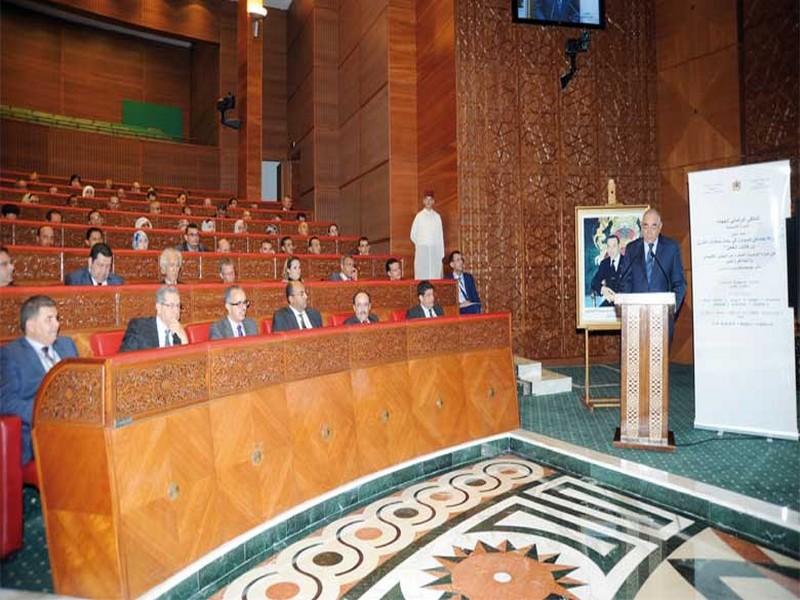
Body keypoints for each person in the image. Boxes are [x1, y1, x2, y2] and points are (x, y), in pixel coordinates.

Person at [0, 295, 78, 463]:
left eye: (56, 318)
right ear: (31, 325)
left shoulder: (67, 345)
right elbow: (6, 402)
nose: (57, 325)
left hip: (78, 423)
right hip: (41, 431)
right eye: (49, 319)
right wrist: (48, 413)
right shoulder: (11, 355)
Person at [618, 208, 687, 339]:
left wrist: (671, 310)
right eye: (645, 226)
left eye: (653, 226)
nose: (649, 232)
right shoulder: (632, 249)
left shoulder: (671, 248)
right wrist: (624, 304)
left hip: (663, 318)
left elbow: (679, 284)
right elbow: (625, 281)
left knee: (660, 359)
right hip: (635, 319)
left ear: (660, 227)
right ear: (641, 227)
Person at [120, 286, 188, 351]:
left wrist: (184, 339)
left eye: (178, 306)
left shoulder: (179, 332)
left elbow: (186, 360)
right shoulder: (139, 328)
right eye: (171, 305)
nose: (176, 311)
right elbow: (124, 359)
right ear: (159, 307)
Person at [410, 191, 444, 279]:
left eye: (430, 200)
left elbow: (440, 237)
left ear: (433, 201)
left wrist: (440, 254)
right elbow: (413, 235)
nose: (428, 202)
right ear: (423, 201)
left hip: (434, 251)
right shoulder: (419, 216)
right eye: (426, 199)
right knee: (422, 275)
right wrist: (422, 244)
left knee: (434, 275)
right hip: (422, 251)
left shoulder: (437, 217)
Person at [589, 235, 623, 307]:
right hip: (609, 302)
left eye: (614, 246)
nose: (611, 250)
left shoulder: (627, 262)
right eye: (609, 246)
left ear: (619, 246)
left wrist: (618, 297)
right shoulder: (604, 263)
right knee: (598, 316)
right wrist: (602, 289)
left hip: (624, 302)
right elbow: (594, 281)